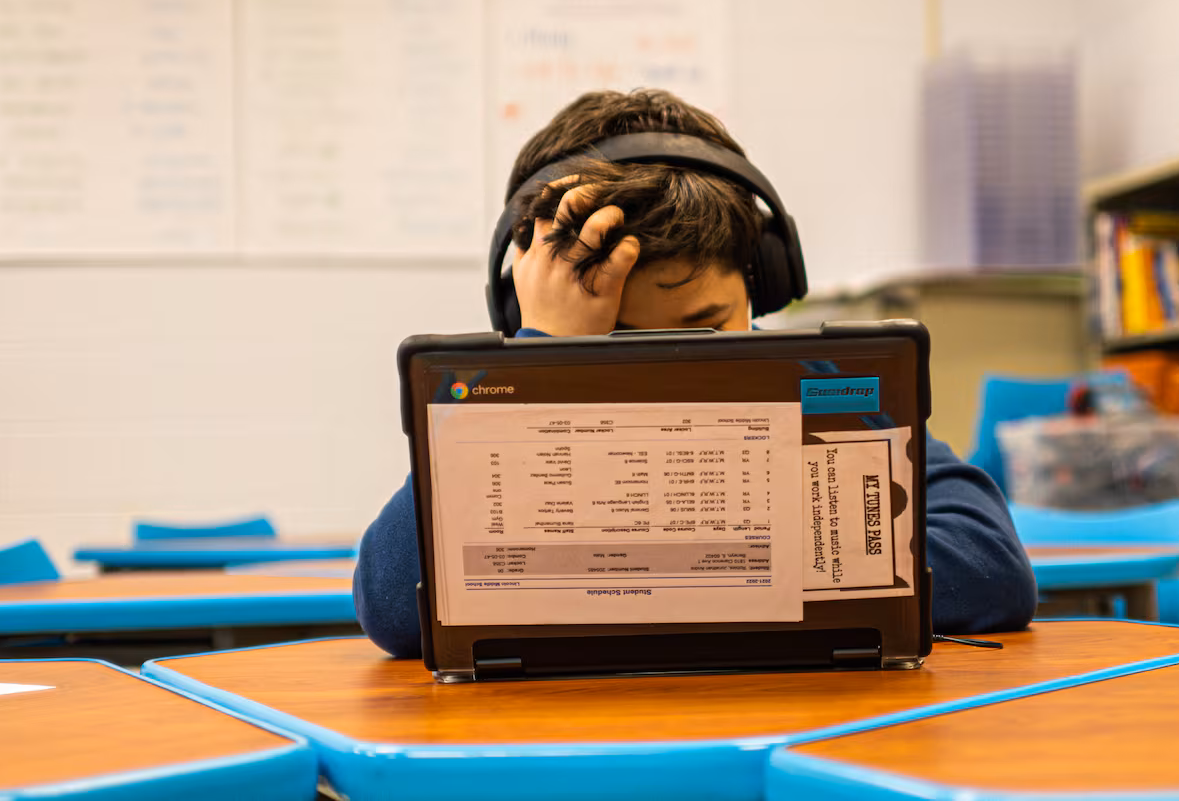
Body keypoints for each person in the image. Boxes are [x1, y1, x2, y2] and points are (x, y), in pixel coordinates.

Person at [353, 89, 1037, 657]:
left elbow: (991, 567)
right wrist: (543, 358)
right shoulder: (501, 409)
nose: (671, 373)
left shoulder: (817, 385)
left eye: (705, 330)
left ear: (761, 283)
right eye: (615, 343)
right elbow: (391, 603)